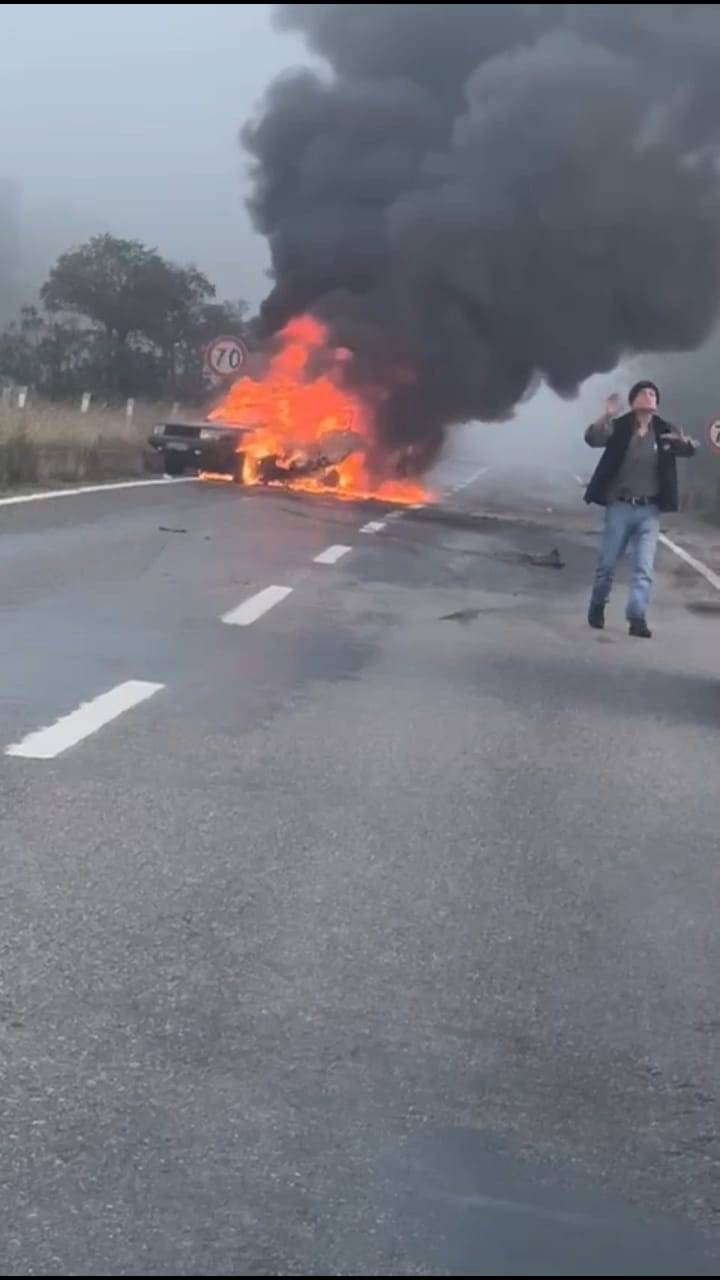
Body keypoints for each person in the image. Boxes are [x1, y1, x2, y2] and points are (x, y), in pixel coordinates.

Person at [584, 380, 697, 638]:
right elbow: (592, 438)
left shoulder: (664, 430)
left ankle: (637, 617)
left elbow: (690, 450)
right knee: (607, 565)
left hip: (649, 510)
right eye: (645, 392)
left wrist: (685, 442)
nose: (650, 395)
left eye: (654, 393)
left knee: (644, 568)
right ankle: (597, 605)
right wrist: (607, 415)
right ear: (634, 401)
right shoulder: (621, 427)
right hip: (620, 507)